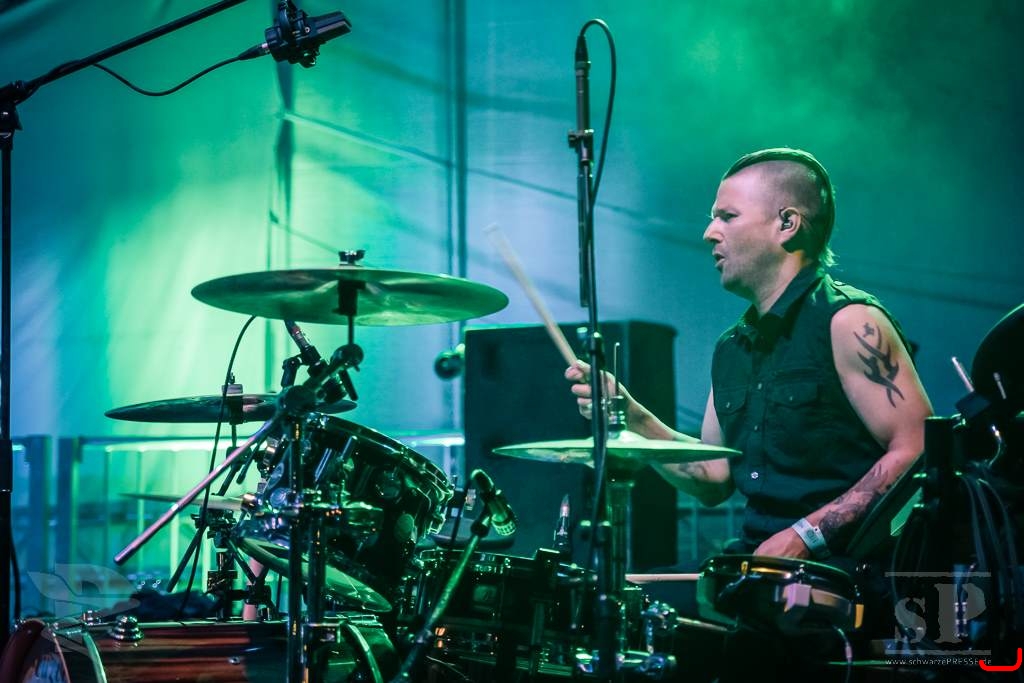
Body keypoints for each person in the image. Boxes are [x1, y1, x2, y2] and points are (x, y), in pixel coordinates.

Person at [565, 148, 933, 680]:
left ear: (787, 224)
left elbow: (917, 446)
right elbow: (713, 477)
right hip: (760, 582)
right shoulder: (731, 348)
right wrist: (633, 417)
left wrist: (806, 535)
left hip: (849, 591)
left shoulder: (850, 322)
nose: (708, 233)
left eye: (727, 216)